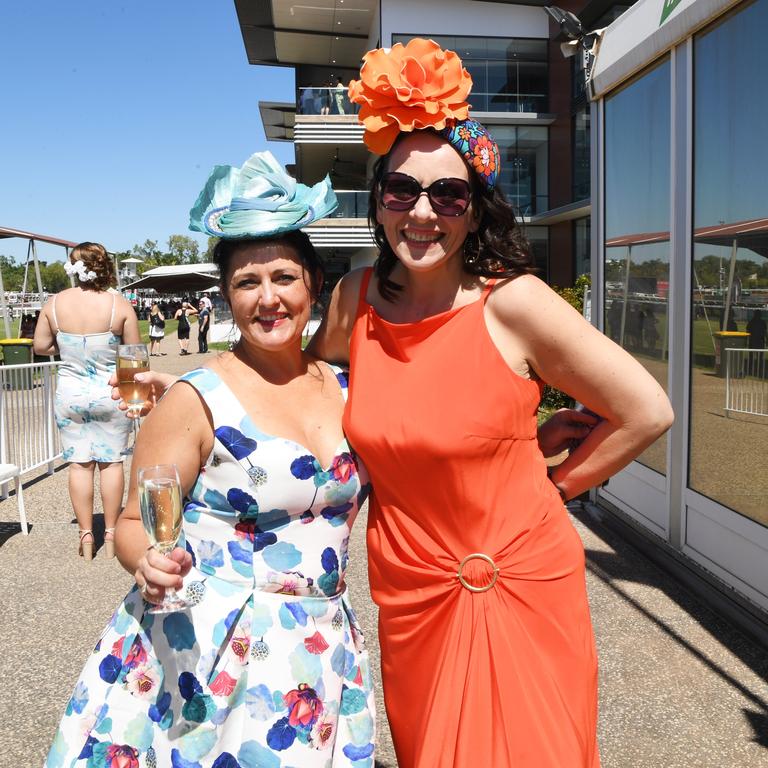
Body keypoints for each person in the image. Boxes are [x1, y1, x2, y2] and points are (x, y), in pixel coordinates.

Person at [305, 39, 674, 767]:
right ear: (378, 203)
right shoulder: (353, 302)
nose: (422, 212)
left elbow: (646, 409)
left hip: (518, 579)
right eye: (402, 191)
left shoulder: (516, 305)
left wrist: (551, 485)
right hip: (411, 594)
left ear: (475, 214)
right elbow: (302, 395)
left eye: (448, 195)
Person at [45, 152, 376, 767]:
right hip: (207, 648)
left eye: (283, 277)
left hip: (316, 645)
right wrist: (145, 560)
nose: (268, 298)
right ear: (227, 297)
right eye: (247, 283)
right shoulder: (196, 398)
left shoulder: (349, 386)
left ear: (313, 284)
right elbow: (132, 524)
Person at [33, 242, 139, 560]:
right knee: (111, 462)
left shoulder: (54, 304)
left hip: (70, 393)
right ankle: (110, 531)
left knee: (79, 464)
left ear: (73, 267)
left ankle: (85, 534)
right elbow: (134, 356)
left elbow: (39, 346)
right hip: (110, 392)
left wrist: (65, 350)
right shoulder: (118, 305)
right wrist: (138, 402)